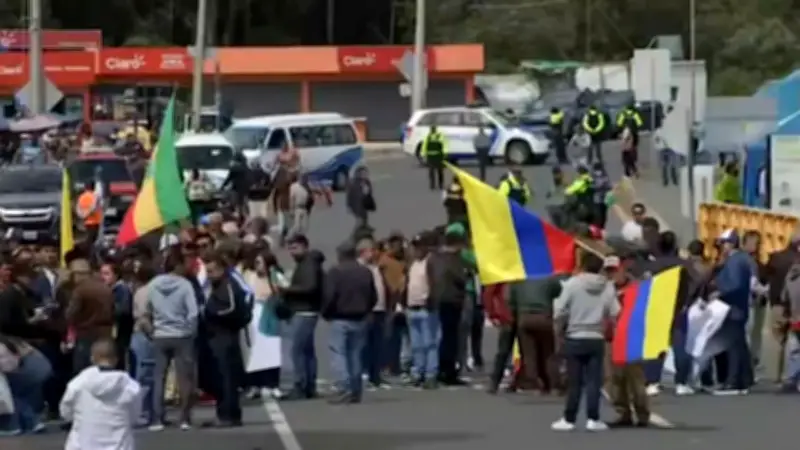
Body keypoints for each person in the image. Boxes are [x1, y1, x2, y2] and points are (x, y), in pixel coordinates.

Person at [552, 252, 619, 432]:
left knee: (574, 381)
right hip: (596, 337)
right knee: (594, 381)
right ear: (600, 268)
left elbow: (559, 310)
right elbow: (615, 312)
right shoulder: (608, 287)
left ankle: (569, 418)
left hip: (575, 335)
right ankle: (593, 418)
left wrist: (562, 324)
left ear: (582, 265)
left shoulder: (572, 284)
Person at [147, 251, 199, 431]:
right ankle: (184, 418)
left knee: (159, 377)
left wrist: (153, 328)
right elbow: (193, 312)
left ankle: (157, 419)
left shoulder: (153, 284)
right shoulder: (185, 285)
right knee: (185, 378)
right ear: (178, 265)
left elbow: (147, 309)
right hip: (182, 335)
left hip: (160, 334)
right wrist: (192, 331)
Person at [60, 338, 141, 450]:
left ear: (92, 359)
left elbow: (66, 412)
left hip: (83, 444)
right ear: (116, 360)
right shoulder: (130, 386)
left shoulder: (78, 383)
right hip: (119, 445)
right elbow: (134, 415)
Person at [323, 241, 377, 404]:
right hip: (360, 318)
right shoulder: (365, 272)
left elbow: (329, 296)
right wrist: (366, 309)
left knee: (339, 353)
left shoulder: (336, 272)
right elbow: (373, 296)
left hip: (340, 317)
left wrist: (327, 313)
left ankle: (344, 387)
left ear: (340, 255)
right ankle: (355, 389)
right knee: (355, 354)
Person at [203, 251, 251, 427]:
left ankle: (229, 415)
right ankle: (224, 412)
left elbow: (231, 308)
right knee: (219, 377)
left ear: (222, 269)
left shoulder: (228, 285)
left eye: (212, 271)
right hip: (216, 336)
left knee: (227, 377)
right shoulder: (215, 286)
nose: (210, 275)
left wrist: (210, 313)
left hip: (225, 336)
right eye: (207, 272)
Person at [282, 234, 325, 400]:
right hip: (306, 310)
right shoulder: (307, 263)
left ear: (305, 247)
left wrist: (288, 290)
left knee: (298, 350)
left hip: (304, 311)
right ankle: (309, 385)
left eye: (295, 248)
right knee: (307, 350)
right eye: (290, 248)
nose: (292, 252)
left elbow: (310, 287)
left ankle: (300, 385)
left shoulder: (308, 263)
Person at [713, 229, 754, 395]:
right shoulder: (739, 259)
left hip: (733, 309)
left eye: (723, 243)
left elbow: (735, 284)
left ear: (731, 243)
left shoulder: (735, 261)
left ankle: (734, 381)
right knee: (740, 345)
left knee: (733, 347)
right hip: (737, 308)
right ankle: (744, 379)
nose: (722, 247)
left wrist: (719, 292)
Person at [427, 231, 468, 385]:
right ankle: (448, 372)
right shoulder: (453, 259)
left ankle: (439, 369)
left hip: (437, 300)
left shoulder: (434, 258)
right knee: (451, 338)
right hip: (452, 300)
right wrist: (467, 275)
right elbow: (460, 277)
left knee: (440, 336)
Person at [0, 334, 52, 435]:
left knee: (12, 394)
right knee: (17, 396)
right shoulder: (9, 340)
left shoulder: (6, 343)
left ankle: (13, 425)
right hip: (38, 367)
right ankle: (31, 421)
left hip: (30, 369)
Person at [346, 166, 376, 232]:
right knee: (359, 220)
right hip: (356, 205)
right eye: (362, 173)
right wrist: (348, 206)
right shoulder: (354, 183)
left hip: (364, 204)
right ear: (358, 174)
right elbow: (349, 196)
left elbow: (370, 192)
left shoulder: (367, 182)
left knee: (365, 217)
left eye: (365, 173)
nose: (364, 175)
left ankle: (365, 228)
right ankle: (355, 233)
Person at [75, 180, 102, 245]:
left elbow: (78, 209)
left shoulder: (81, 197)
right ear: (93, 187)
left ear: (86, 187)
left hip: (86, 222)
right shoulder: (94, 196)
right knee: (92, 240)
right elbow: (94, 208)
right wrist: (88, 213)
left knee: (89, 238)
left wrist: (83, 216)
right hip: (95, 221)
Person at [421, 125, 447, 190]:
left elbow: (444, 144)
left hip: (438, 156)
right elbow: (424, 145)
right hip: (431, 157)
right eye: (432, 129)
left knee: (439, 171)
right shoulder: (428, 137)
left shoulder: (440, 136)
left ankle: (440, 184)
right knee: (432, 171)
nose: (432, 130)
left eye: (433, 129)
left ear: (435, 130)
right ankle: (432, 184)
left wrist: (445, 153)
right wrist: (423, 154)